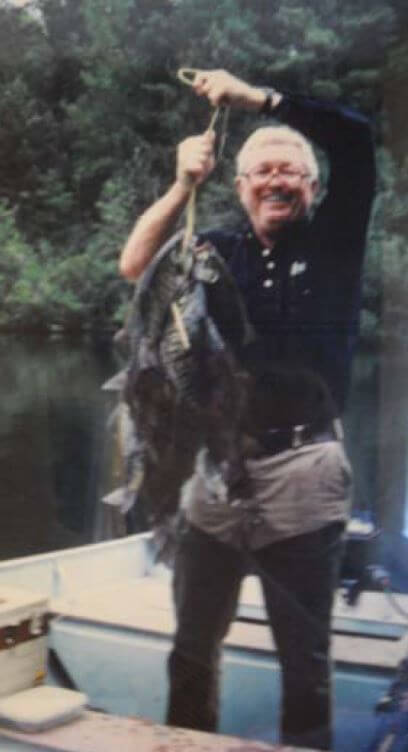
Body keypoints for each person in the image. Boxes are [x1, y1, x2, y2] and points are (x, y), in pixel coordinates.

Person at [119, 69, 375, 750]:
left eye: (291, 172)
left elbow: (355, 139)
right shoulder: (219, 247)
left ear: (313, 189)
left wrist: (255, 100)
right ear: (240, 187)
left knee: (307, 671)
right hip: (217, 476)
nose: (277, 181)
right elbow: (135, 263)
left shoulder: (335, 244)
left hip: (306, 474)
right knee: (191, 652)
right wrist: (182, 185)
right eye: (261, 171)